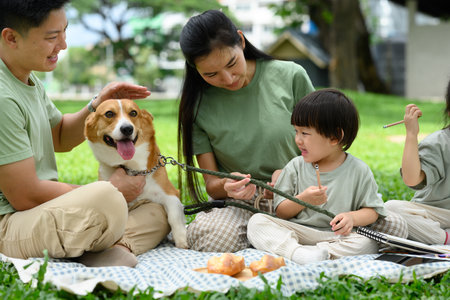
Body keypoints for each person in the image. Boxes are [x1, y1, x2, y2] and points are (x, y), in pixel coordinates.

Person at [0, 0, 171, 268]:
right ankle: (103, 243)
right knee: (105, 199)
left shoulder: (28, 80)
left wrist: (98, 104)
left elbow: (59, 137)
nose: (64, 45)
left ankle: (109, 247)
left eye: (64, 32)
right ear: (11, 37)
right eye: (52, 37)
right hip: (10, 223)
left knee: (159, 208)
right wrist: (111, 189)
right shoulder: (2, 97)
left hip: (42, 212)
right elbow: (25, 195)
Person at [177, 10, 316, 252]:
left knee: (348, 226)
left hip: (299, 193)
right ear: (194, 68)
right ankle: (272, 238)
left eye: (232, 63)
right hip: (239, 204)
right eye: (211, 74)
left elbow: (325, 148)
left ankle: (269, 237)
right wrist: (227, 186)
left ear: (241, 41)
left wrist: (294, 175)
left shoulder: (291, 76)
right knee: (209, 239)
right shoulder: (197, 106)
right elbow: (211, 183)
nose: (228, 78)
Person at [247, 89, 389, 264]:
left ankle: (312, 254)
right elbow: (281, 212)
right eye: (296, 132)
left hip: (336, 237)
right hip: (298, 231)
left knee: (368, 242)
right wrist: (303, 199)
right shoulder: (295, 166)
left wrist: (352, 218)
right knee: (257, 222)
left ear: (335, 137)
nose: (298, 140)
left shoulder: (359, 170)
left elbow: (373, 211)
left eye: (305, 133)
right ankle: (298, 252)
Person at [385, 81, 450, 245]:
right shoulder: (439, 143)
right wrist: (411, 134)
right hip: (434, 214)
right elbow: (412, 179)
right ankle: (444, 240)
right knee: (390, 209)